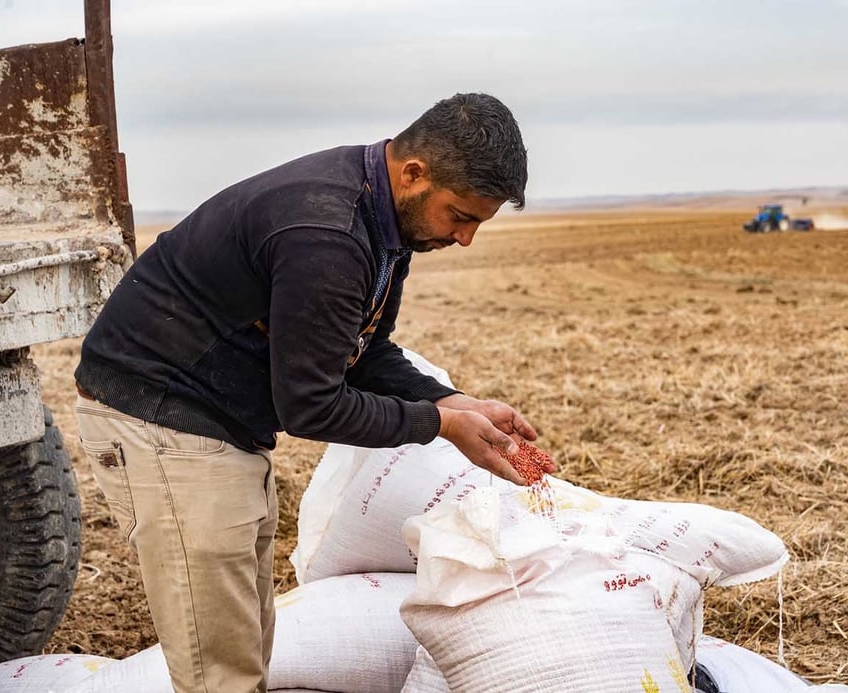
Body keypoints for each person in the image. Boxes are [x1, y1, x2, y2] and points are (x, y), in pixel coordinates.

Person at [73, 92, 552, 693]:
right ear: (414, 174)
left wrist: (450, 401)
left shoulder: (383, 224)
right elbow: (311, 403)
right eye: (461, 216)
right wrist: (439, 425)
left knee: (249, 640)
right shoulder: (327, 232)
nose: (466, 239)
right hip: (164, 418)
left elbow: (365, 350)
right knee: (219, 670)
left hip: (221, 421)